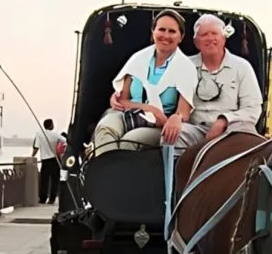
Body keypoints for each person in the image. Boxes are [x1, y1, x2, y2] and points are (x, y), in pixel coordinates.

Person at [110, 13, 263, 154]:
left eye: (214, 33)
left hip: (232, 130)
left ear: (224, 37)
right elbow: (155, 88)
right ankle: (175, 183)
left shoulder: (242, 67)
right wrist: (118, 95)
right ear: (196, 42)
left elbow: (253, 109)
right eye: (204, 35)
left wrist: (224, 120)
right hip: (195, 129)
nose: (210, 38)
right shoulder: (183, 65)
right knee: (171, 136)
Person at [91, 9, 197, 157]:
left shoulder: (186, 68)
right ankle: (107, 177)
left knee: (130, 141)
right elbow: (123, 101)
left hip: (158, 125)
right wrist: (150, 109)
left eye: (172, 31)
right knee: (105, 129)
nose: (166, 35)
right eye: (161, 29)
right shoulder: (138, 59)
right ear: (153, 32)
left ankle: (114, 176)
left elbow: (183, 113)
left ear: (181, 37)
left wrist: (172, 118)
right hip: (129, 114)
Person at [32, 119, 64, 204]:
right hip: (54, 160)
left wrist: (32, 156)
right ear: (50, 125)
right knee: (54, 180)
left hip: (45, 161)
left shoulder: (39, 134)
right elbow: (65, 142)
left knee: (44, 180)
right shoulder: (56, 135)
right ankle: (52, 199)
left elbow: (36, 147)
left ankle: (42, 199)